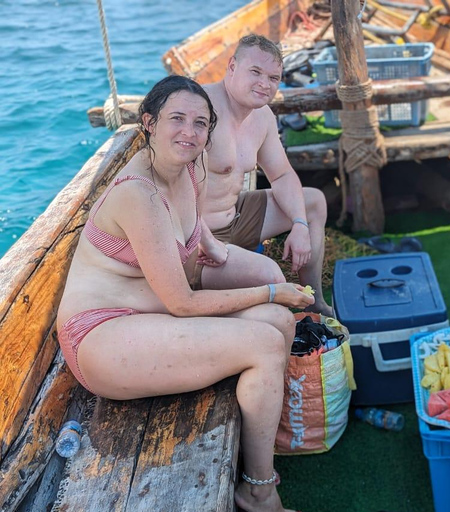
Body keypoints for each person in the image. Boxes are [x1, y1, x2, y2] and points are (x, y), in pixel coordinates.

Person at [56, 75, 312, 512]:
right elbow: (183, 304)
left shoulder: (192, 166)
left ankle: (263, 431)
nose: (190, 133)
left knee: (280, 322)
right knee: (267, 337)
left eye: (200, 123)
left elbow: (196, 230)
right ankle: (259, 490)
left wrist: (213, 247)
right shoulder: (138, 195)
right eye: (177, 119)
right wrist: (271, 290)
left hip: (155, 319)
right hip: (103, 337)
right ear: (149, 123)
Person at [200, 34, 333, 316]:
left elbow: (282, 175)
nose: (265, 83)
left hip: (233, 216)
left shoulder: (262, 117)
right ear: (232, 66)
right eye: (255, 72)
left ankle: (316, 303)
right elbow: (166, 188)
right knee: (271, 277)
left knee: (313, 203)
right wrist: (202, 240)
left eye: (273, 78)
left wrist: (299, 225)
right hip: (198, 244)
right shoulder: (199, 108)